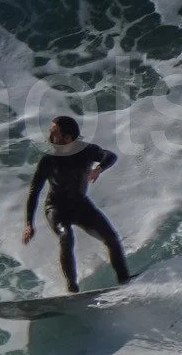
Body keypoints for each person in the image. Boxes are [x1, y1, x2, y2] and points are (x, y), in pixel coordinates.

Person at [21, 115, 130, 293]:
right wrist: (28, 223)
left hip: (81, 206)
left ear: (67, 138)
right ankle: (72, 289)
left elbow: (110, 156)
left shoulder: (87, 151)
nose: (49, 137)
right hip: (55, 209)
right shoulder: (49, 160)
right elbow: (34, 191)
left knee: (111, 238)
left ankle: (125, 280)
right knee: (66, 237)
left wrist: (99, 168)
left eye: (54, 134)